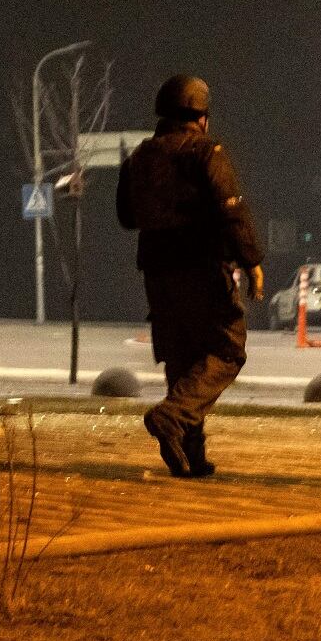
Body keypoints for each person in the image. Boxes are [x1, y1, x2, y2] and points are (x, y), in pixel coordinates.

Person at [116, 74, 264, 478]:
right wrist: (251, 260)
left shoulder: (139, 157)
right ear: (201, 117)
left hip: (157, 272)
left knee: (183, 360)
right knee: (228, 349)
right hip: (201, 266)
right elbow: (231, 209)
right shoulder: (205, 151)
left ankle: (190, 455)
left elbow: (126, 218)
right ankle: (172, 417)